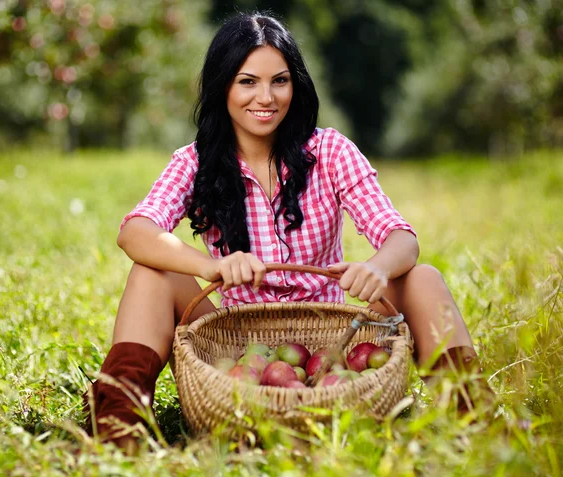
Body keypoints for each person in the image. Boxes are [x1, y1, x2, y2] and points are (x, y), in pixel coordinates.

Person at [83, 12, 493, 449]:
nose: (266, 97)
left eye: (279, 81)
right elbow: (135, 232)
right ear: (223, 85)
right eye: (247, 82)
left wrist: (377, 266)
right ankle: (116, 429)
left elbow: (401, 237)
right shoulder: (195, 161)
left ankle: (476, 419)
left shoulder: (330, 150)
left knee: (423, 278)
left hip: (334, 340)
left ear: (295, 85)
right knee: (151, 273)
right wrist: (214, 265)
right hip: (239, 345)